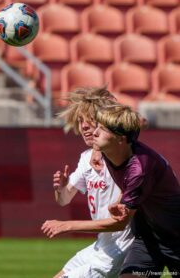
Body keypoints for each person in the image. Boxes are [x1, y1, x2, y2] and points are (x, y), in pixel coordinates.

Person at [41, 87, 134, 278]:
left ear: (105, 121)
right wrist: (60, 189)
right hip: (101, 245)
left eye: (90, 120)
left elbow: (119, 222)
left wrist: (66, 225)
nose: (83, 126)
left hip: (120, 248)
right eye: (81, 120)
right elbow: (63, 200)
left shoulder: (120, 160)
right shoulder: (85, 159)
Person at [92, 104, 180, 278]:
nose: (94, 132)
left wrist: (66, 225)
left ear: (121, 139)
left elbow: (119, 223)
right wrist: (120, 199)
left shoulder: (139, 169)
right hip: (148, 239)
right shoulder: (111, 148)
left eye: (102, 129)